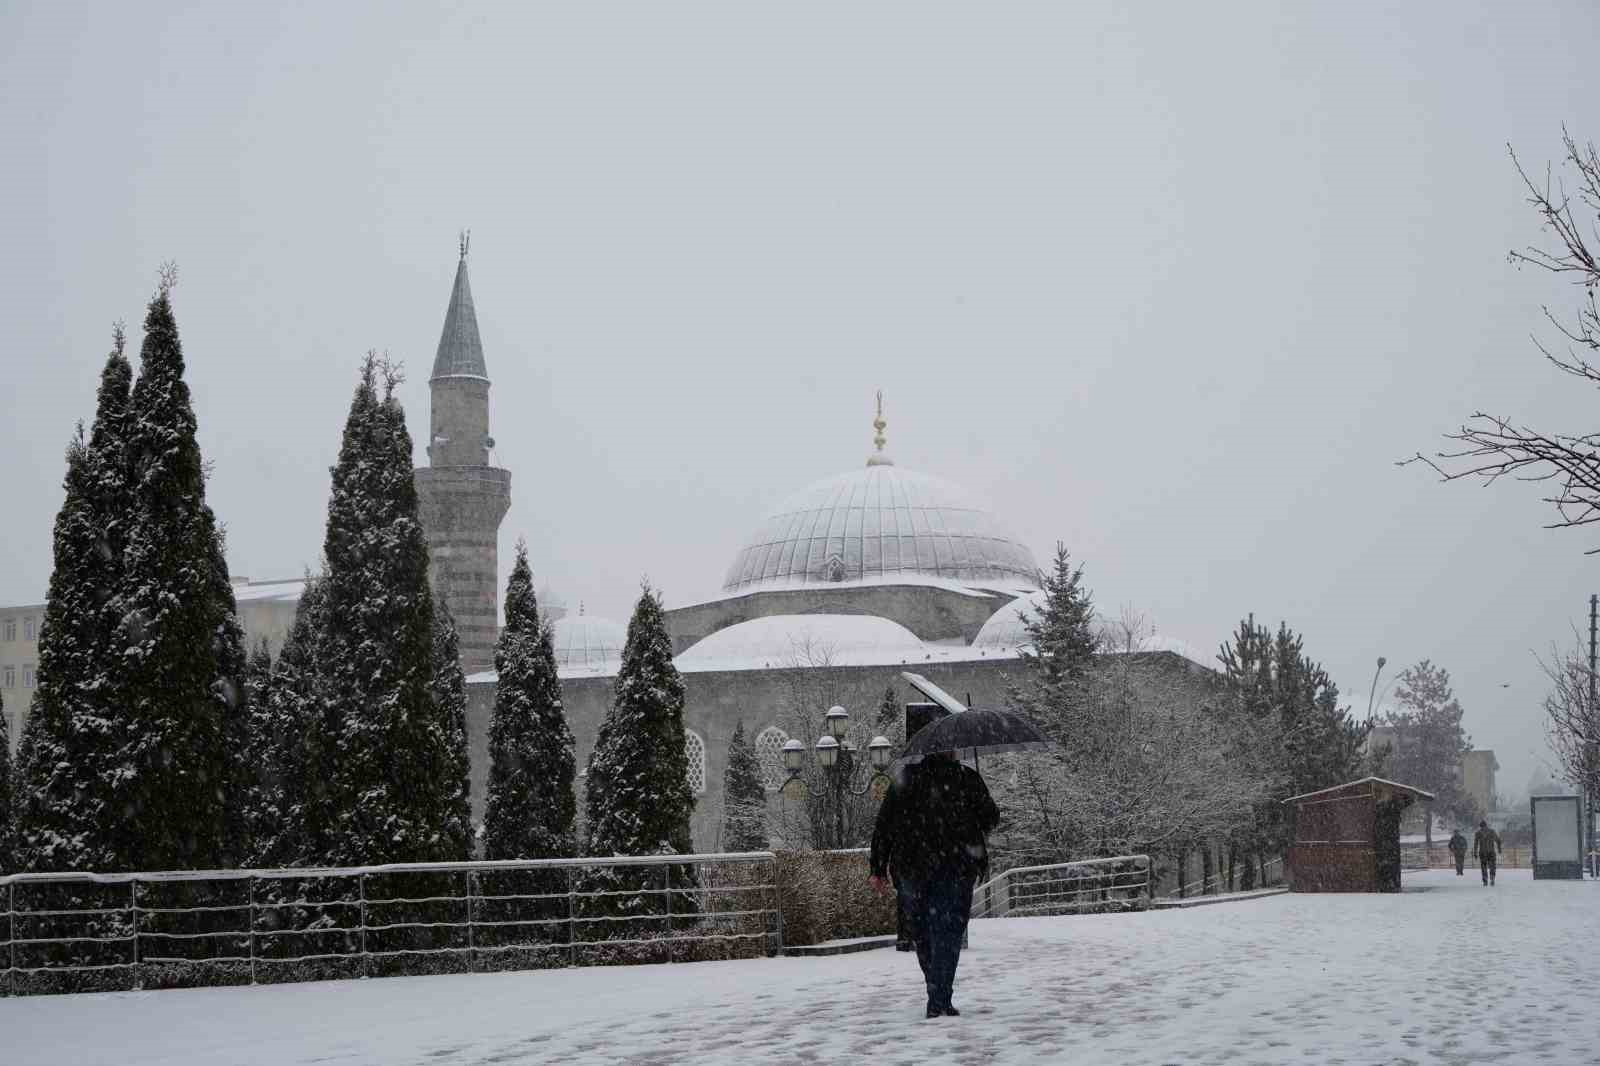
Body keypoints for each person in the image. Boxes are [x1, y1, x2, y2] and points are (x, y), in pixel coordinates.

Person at [869, 751, 999, 1019]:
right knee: (949, 933)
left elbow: (884, 826)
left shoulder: (906, 779)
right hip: (957, 866)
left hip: (912, 868)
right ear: (952, 750)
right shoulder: (967, 778)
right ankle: (941, 995)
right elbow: (990, 818)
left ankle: (936, 991)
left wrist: (878, 869)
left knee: (923, 932)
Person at [1472, 820, 1501, 886]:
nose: (1483, 828)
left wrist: (1475, 853)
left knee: (1486, 867)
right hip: (1489, 852)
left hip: (1485, 852)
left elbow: (1476, 844)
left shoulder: (1479, 833)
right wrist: (1499, 849)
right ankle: (1490, 878)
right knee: (1490, 866)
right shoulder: (1491, 831)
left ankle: (1488, 879)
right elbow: (1498, 840)